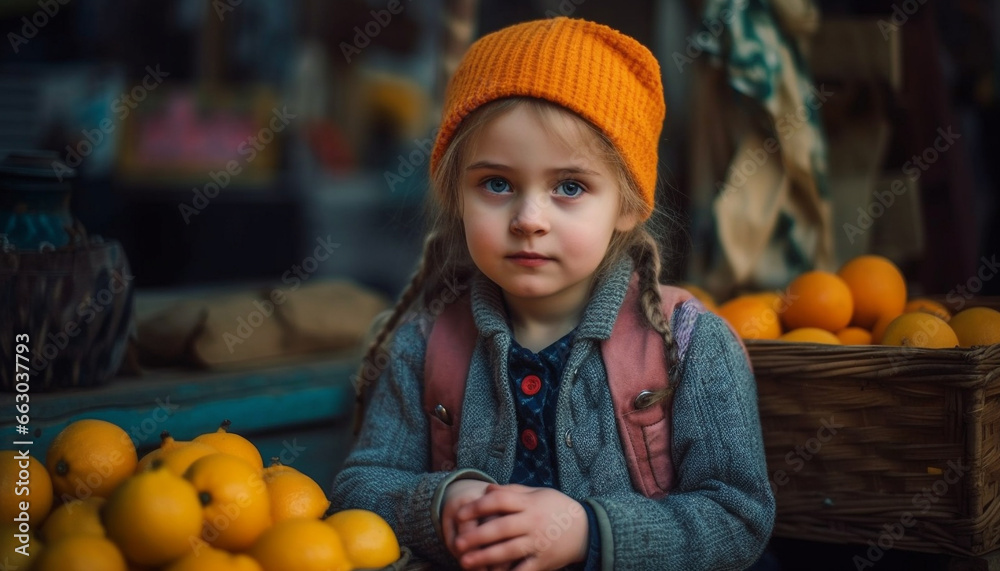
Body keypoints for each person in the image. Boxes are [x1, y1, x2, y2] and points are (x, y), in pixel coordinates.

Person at [330, 16, 775, 571]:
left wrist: (587, 533)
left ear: (629, 205)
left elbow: (738, 518)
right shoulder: (425, 340)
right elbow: (359, 487)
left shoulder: (687, 345)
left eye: (570, 187)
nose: (528, 219)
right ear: (456, 195)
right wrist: (440, 501)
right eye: (497, 184)